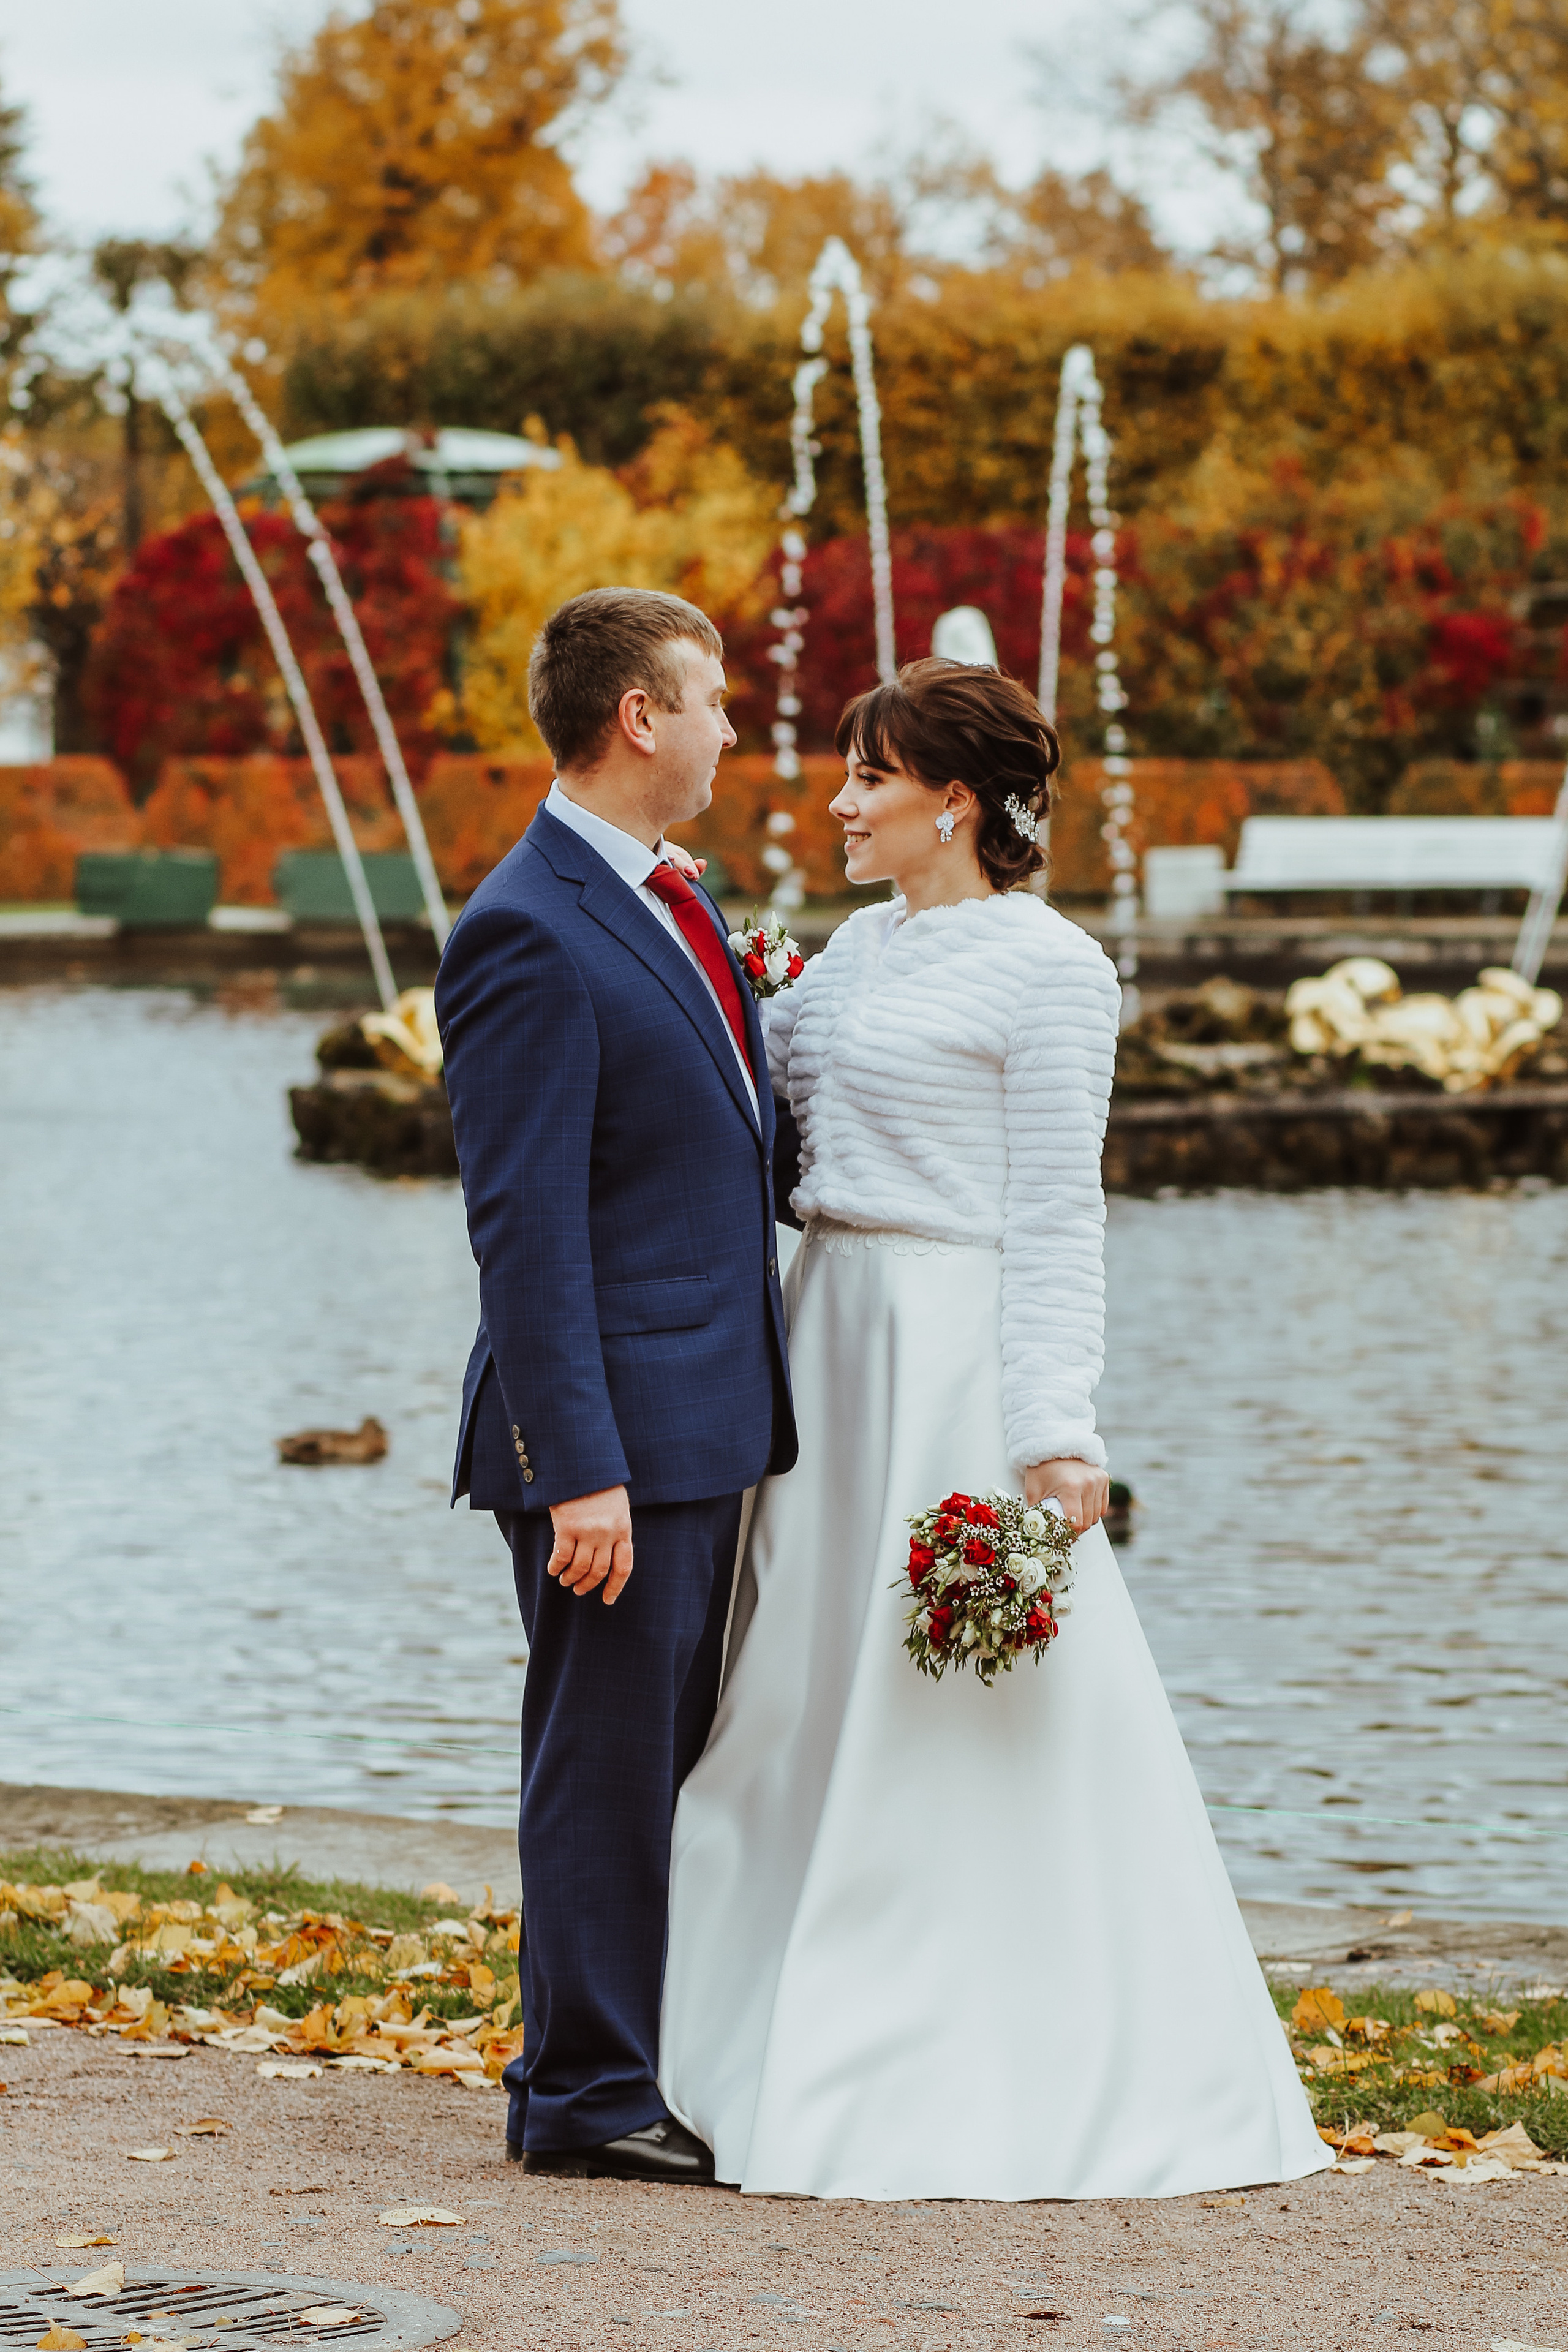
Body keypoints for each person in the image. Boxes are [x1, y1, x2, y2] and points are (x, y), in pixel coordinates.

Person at [660, 657, 1331, 2200]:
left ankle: (960, 2045)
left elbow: (1055, 1221)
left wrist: (1053, 1433)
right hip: (822, 1341)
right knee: (793, 1693)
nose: (837, 803)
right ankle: (732, 2026)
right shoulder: (845, 950)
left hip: (946, 1357)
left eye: (867, 780)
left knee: (945, 1703)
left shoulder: (1052, 972)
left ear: (949, 800)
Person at [435, 586, 796, 2182]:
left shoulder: (668, 902)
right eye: (712, 698)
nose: (733, 727)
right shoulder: (528, 924)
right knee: (600, 1766)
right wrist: (572, 1463)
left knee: (658, 1759)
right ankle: (584, 2099)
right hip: (612, 1449)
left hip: (701, 1420)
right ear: (638, 716)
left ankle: (619, 2064)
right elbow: (524, 1225)